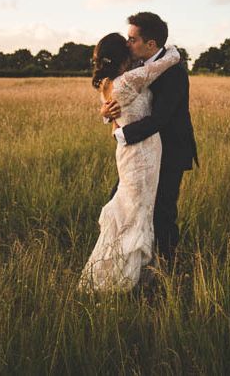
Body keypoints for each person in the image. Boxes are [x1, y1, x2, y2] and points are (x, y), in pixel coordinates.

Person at [79, 33, 181, 292]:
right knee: (136, 211)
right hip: (141, 151)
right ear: (123, 56)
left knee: (135, 208)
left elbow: (115, 116)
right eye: (128, 44)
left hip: (133, 151)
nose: (131, 46)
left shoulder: (107, 83)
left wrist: (108, 118)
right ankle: (125, 277)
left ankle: (134, 271)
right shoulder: (129, 79)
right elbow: (164, 63)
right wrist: (173, 51)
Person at [102, 12, 198, 269]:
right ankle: (126, 261)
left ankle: (168, 267)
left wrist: (120, 135)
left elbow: (161, 118)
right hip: (140, 152)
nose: (127, 44)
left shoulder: (174, 72)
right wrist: (106, 114)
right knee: (120, 202)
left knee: (163, 212)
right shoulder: (135, 65)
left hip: (169, 152)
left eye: (132, 39)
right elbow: (119, 98)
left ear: (151, 44)